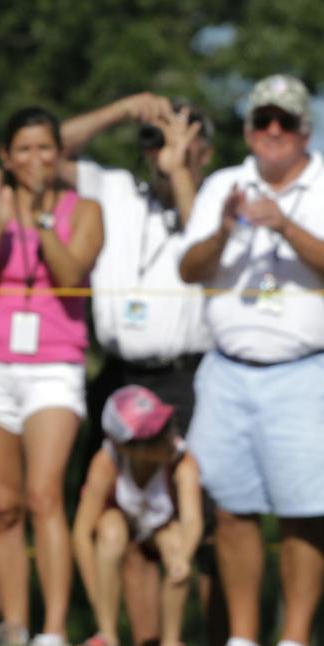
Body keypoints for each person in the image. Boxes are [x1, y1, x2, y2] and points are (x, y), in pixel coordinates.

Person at [177, 74, 324, 646]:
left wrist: (282, 225)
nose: (272, 132)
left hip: (308, 368)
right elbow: (189, 268)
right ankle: (244, 641)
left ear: (304, 130)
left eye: (285, 122)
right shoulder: (224, 184)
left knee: (302, 510)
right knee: (231, 506)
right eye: (261, 121)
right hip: (227, 369)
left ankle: (296, 642)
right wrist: (226, 228)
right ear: (249, 129)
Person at [0, 106, 102, 646]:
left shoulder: (83, 210)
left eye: (46, 148)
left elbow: (69, 277)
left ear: (60, 154)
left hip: (53, 366)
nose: (36, 159)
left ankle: (55, 629)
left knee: (44, 495)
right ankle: (14, 624)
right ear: (5, 157)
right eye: (24, 149)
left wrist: (40, 220)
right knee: (2, 504)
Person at [63, 93, 214, 423]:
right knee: (99, 474)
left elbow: (199, 242)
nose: (166, 148)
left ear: (205, 153)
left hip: (185, 379)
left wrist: (177, 171)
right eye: (159, 137)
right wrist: (121, 110)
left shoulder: (219, 201)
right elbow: (45, 154)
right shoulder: (117, 189)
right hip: (118, 375)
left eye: (182, 138)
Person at [71, 385, 204, 646]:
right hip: (120, 522)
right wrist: (96, 592)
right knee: (109, 532)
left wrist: (185, 557)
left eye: (167, 426)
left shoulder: (181, 459)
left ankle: (171, 645)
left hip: (161, 528)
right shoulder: (107, 462)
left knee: (178, 545)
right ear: (126, 447)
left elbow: (192, 519)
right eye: (154, 435)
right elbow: (82, 533)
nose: (167, 437)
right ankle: (106, 635)